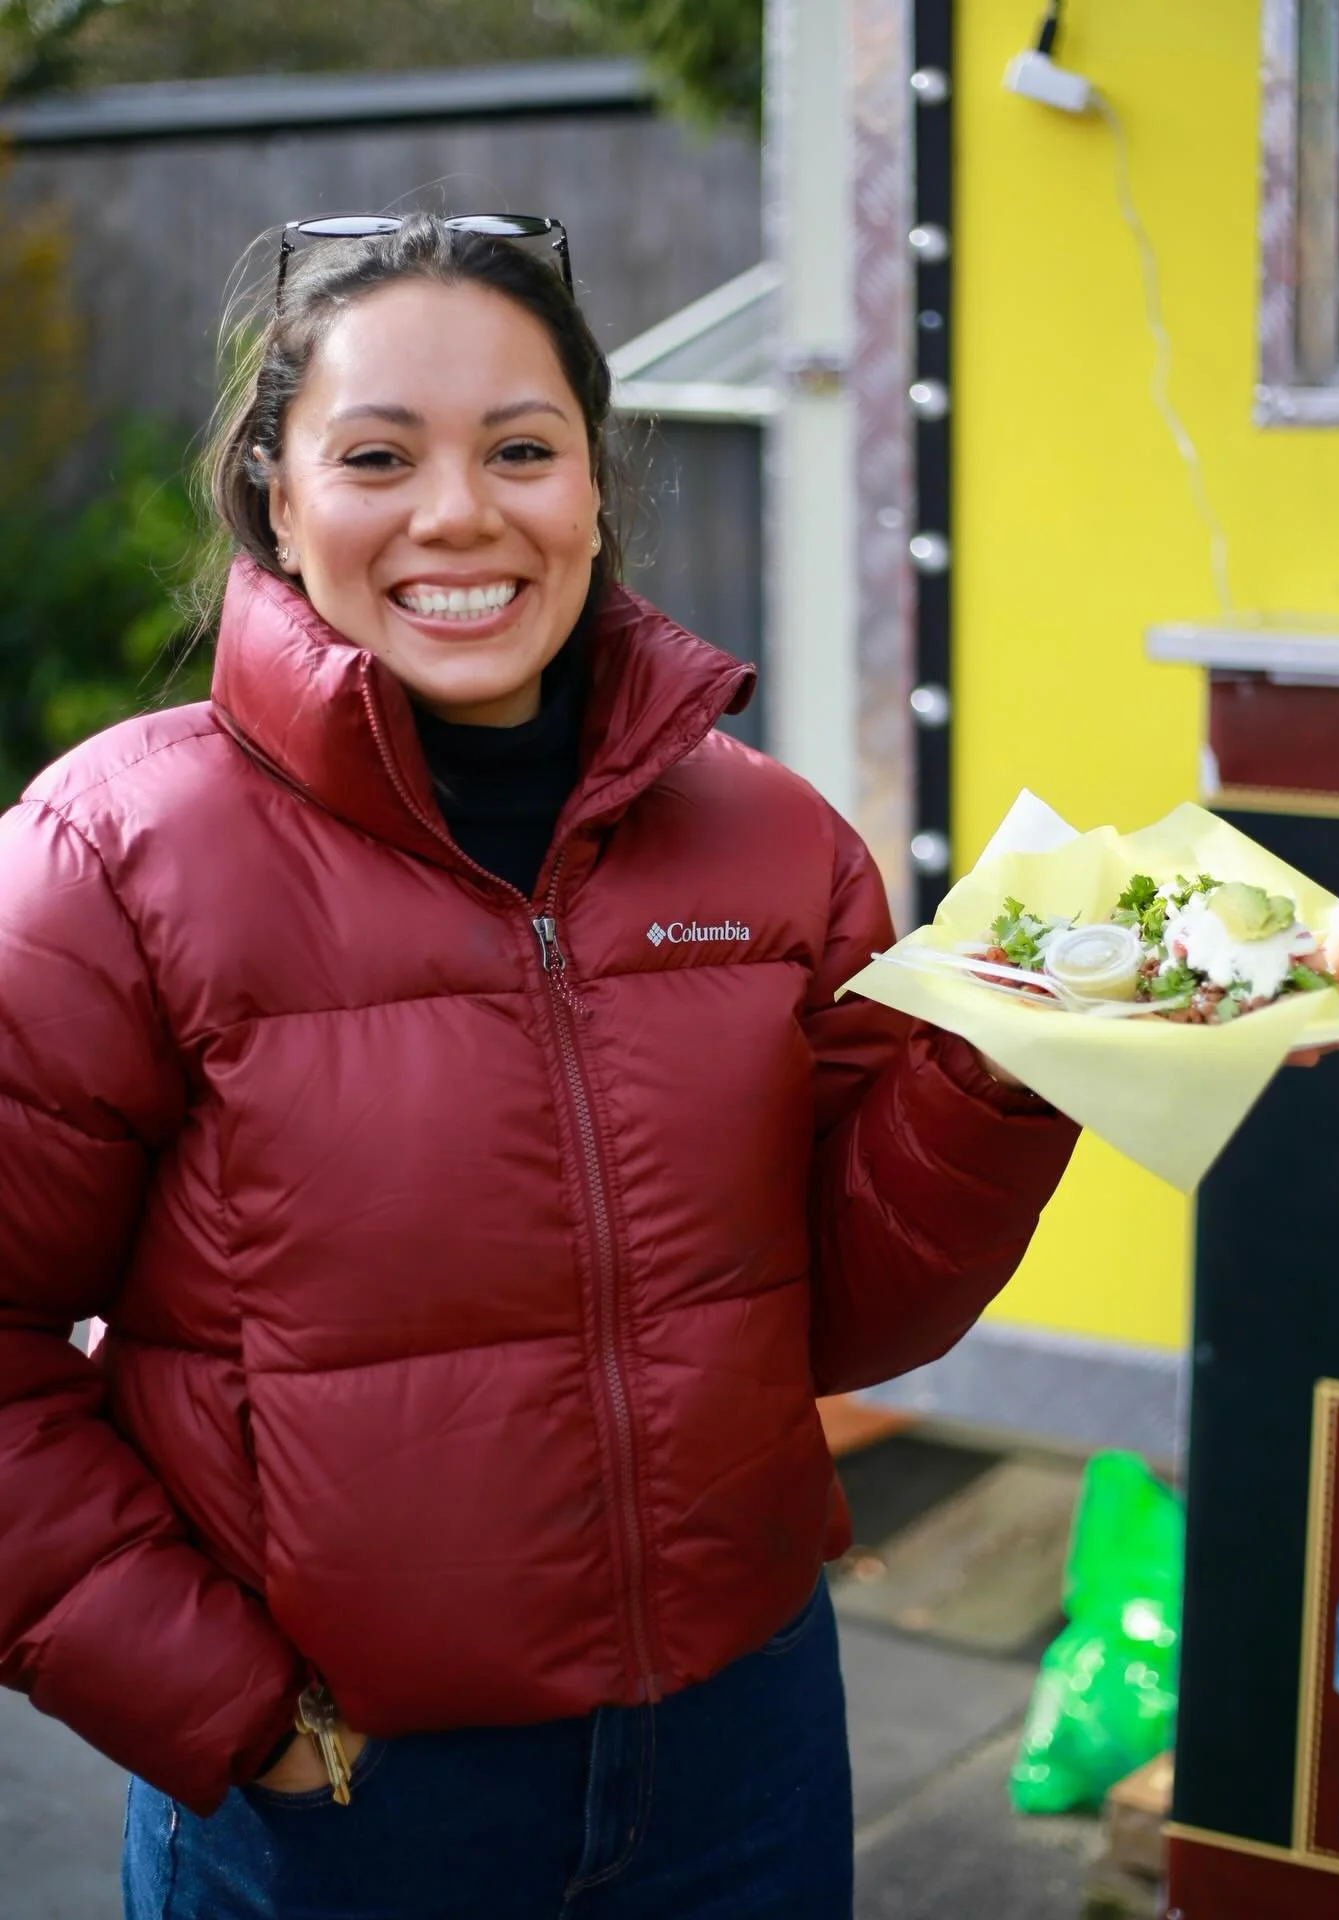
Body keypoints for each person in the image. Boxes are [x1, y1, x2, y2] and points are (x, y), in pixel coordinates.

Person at [0, 210, 1079, 1920]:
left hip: (745, 1753)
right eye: (377, 454)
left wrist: (1007, 1077)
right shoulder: (109, 857)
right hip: (344, 1801)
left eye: (522, 449)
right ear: (277, 491)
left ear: (592, 488)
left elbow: (848, 1320)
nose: (459, 514)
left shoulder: (772, 840)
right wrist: (224, 1708)